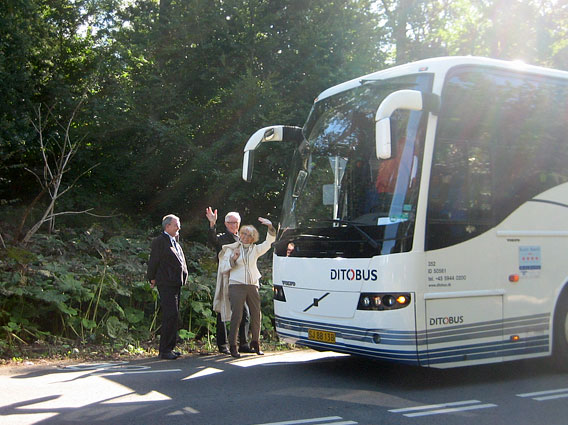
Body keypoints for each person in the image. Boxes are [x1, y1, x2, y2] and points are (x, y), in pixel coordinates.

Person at [217, 217, 276, 358]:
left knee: (256, 315)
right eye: (243, 233)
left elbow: (269, 243)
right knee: (237, 315)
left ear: (253, 238)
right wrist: (233, 259)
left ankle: (255, 342)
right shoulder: (232, 249)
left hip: (252, 284)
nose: (245, 237)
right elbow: (223, 267)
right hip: (236, 284)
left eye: (249, 235)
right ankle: (233, 345)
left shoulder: (255, 249)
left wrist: (270, 227)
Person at [206, 207, 252, 355]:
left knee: (244, 312)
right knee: (223, 311)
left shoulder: (242, 238)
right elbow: (213, 240)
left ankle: (243, 343)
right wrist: (212, 224)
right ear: (226, 224)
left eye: (236, 222)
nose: (234, 225)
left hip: (241, 280)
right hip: (227, 278)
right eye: (231, 223)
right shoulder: (222, 238)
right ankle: (222, 345)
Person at [147, 214, 188, 360]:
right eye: (176, 225)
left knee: (174, 315)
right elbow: (154, 260)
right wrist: (151, 277)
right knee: (170, 314)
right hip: (166, 282)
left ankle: (170, 347)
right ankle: (164, 350)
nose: (178, 228)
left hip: (175, 282)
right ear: (167, 226)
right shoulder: (160, 241)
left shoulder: (174, 241)